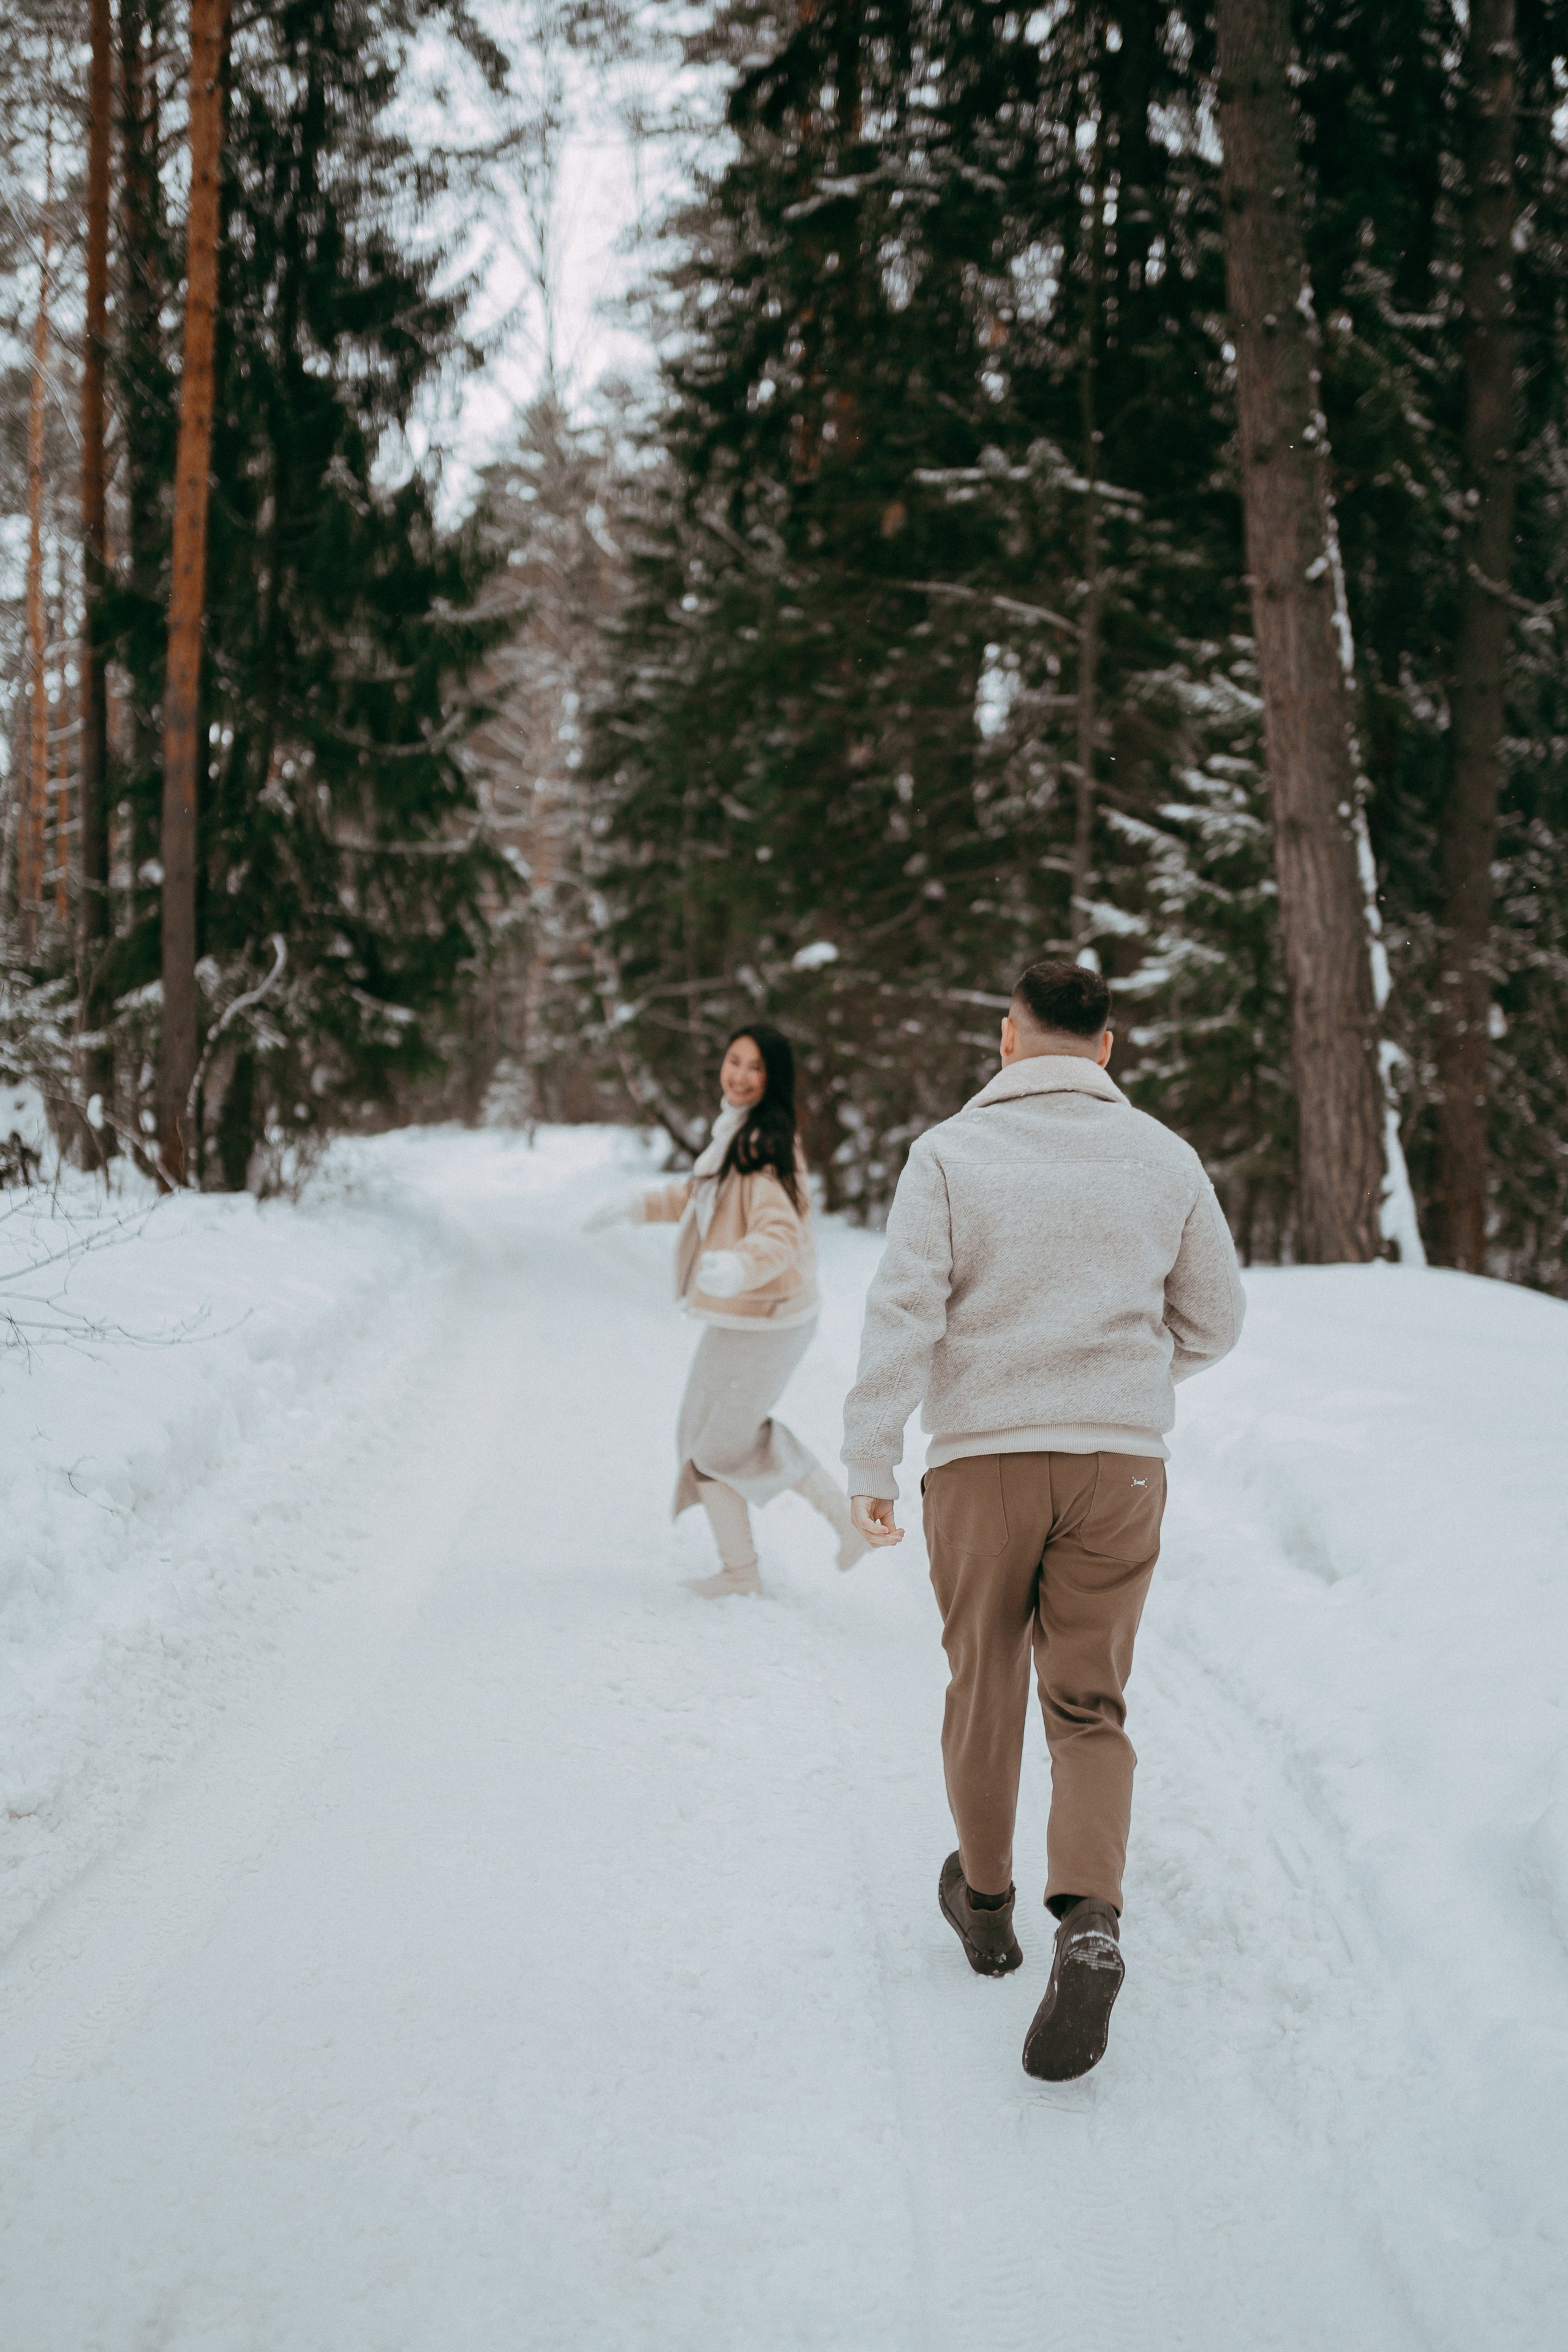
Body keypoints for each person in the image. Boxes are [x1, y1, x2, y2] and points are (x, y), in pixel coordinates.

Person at [839, 960, 1245, 2079]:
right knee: (1089, 1702)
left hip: (981, 1465)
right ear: (1107, 1048)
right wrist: (1128, 1378)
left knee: (985, 1680)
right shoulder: (1165, 1157)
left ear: (1008, 1040)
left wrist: (872, 1453)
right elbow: (1217, 1317)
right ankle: (1093, 1922)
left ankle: (986, 1902)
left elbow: (905, 1312)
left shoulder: (950, 1155)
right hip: (1118, 1468)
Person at [587, 1023, 866, 1597]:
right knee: (702, 1432)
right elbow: (700, 1197)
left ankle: (756, 1566)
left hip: (772, 1318)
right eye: (734, 1061)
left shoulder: (766, 1148)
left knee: (718, 1443)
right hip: (747, 1315)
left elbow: (779, 1233)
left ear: (773, 1080)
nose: (739, 1075)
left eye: (755, 1068)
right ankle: (772, 1554)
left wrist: (741, 1265)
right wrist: (635, 1204)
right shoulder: (734, 1132)